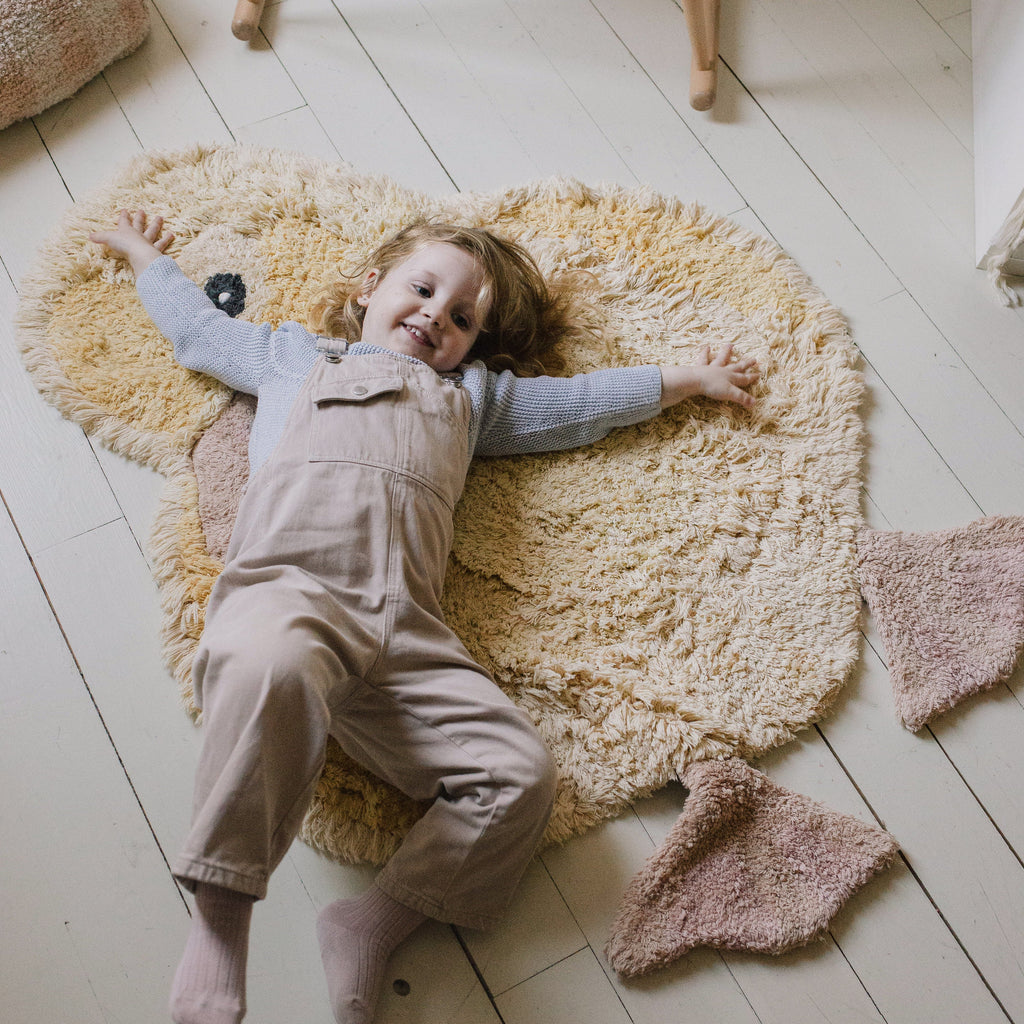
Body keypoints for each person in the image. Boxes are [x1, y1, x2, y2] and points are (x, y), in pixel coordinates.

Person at [90, 209, 760, 1024]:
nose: (434, 316)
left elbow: (579, 403)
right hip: (291, 592)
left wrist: (686, 380)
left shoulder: (473, 402)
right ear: (369, 289)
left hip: (407, 634)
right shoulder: (292, 357)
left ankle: (369, 923)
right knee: (264, 666)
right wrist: (141, 255)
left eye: (461, 318)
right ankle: (222, 926)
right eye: (422, 288)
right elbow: (196, 331)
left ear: (473, 345)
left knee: (519, 776)